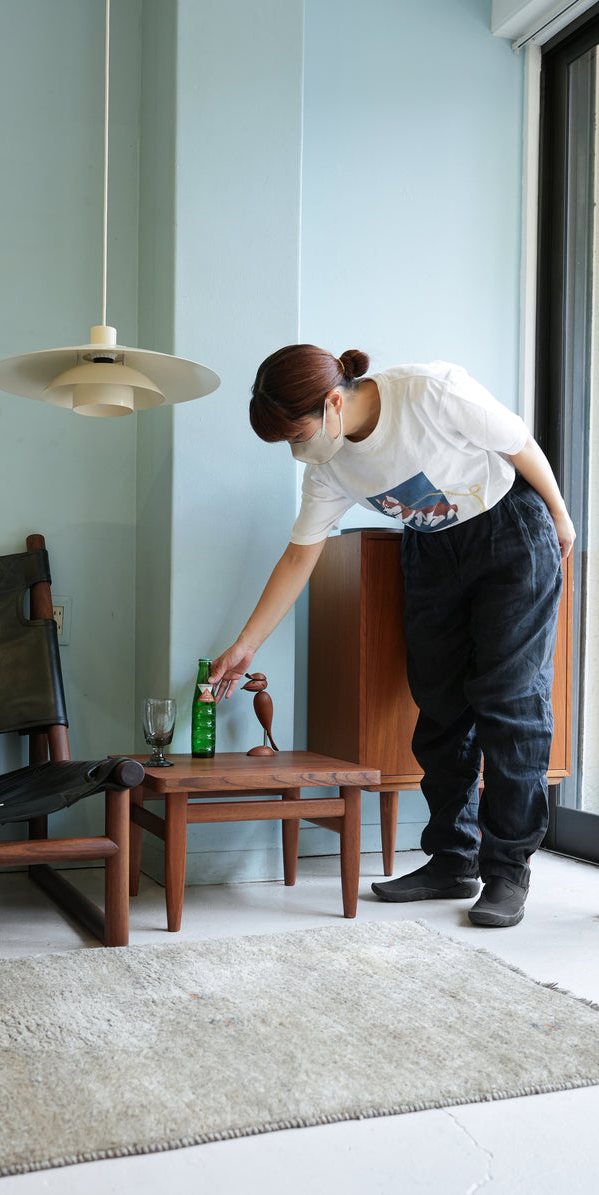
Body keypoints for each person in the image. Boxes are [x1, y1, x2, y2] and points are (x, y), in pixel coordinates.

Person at [208, 346, 575, 928]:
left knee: (510, 702)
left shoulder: (429, 391)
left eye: (297, 434)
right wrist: (245, 644)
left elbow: (519, 444)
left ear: (333, 401)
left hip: (509, 531)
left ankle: (507, 869)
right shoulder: (326, 467)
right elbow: (299, 558)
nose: (297, 450)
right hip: (431, 552)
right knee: (440, 707)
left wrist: (558, 514)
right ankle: (453, 859)